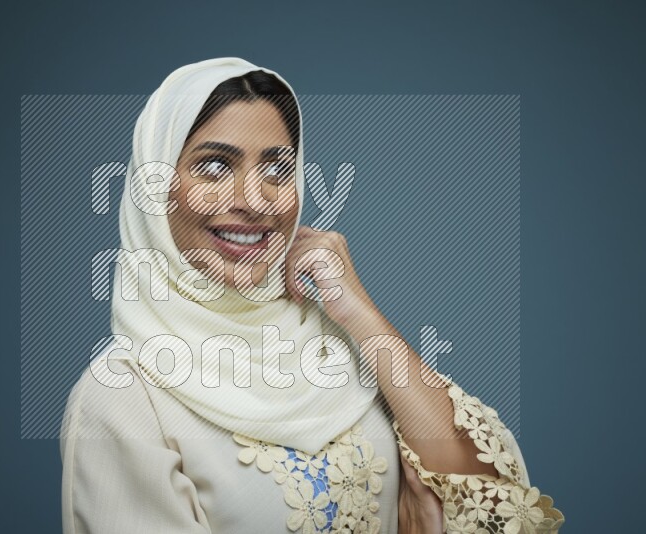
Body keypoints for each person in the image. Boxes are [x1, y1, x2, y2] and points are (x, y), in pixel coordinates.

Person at [60, 57, 564, 534]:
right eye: (214, 167)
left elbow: (498, 507)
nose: (253, 200)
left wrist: (359, 311)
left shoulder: (335, 345)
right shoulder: (122, 401)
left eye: (277, 168)